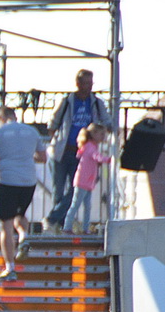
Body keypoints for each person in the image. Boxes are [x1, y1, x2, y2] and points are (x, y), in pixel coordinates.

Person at [0, 105, 48, 282]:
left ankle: (10, 267)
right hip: (28, 182)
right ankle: (24, 236)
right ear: (15, 116)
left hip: (8, 181)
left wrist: (0, 157)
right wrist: (27, 157)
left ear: (0, 118)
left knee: (6, 226)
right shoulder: (31, 131)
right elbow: (43, 157)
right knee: (20, 215)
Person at [45, 69, 115, 232]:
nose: (88, 87)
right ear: (78, 84)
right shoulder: (67, 101)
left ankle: (53, 219)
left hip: (84, 153)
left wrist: (107, 130)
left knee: (76, 188)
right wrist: (55, 138)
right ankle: (59, 224)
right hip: (63, 151)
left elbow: (106, 120)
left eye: (91, 83)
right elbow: (53, 122)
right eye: (85, 83)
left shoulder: (96, 103)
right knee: (58, 189)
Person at [65, 124, 112, 232]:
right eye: (101, 134)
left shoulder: (90, 146)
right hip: (83, 181)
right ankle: (67, 227)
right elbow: (96, 156)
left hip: (88, 182)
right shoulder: (90, 147)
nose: (103, 136)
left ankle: (85, 229)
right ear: (94, 134)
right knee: (76, 204)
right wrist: (108, 159)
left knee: (87, 206)